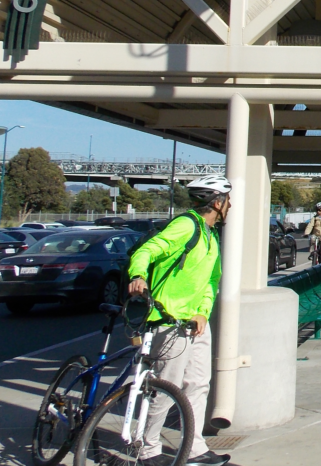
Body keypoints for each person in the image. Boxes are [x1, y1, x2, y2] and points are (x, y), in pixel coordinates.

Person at [128, 174, 230, 466]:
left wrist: (202, 311)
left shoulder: (211, 235)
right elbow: (147, 250)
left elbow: (211, 280)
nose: (231, 205)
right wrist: (138, 275)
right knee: (165, 387)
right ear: (218, 202)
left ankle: (194, 448)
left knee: (198, 384)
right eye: (228, 200)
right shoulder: (186, 226)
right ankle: (148, 450)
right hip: (168, 319)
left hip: (195, 322)